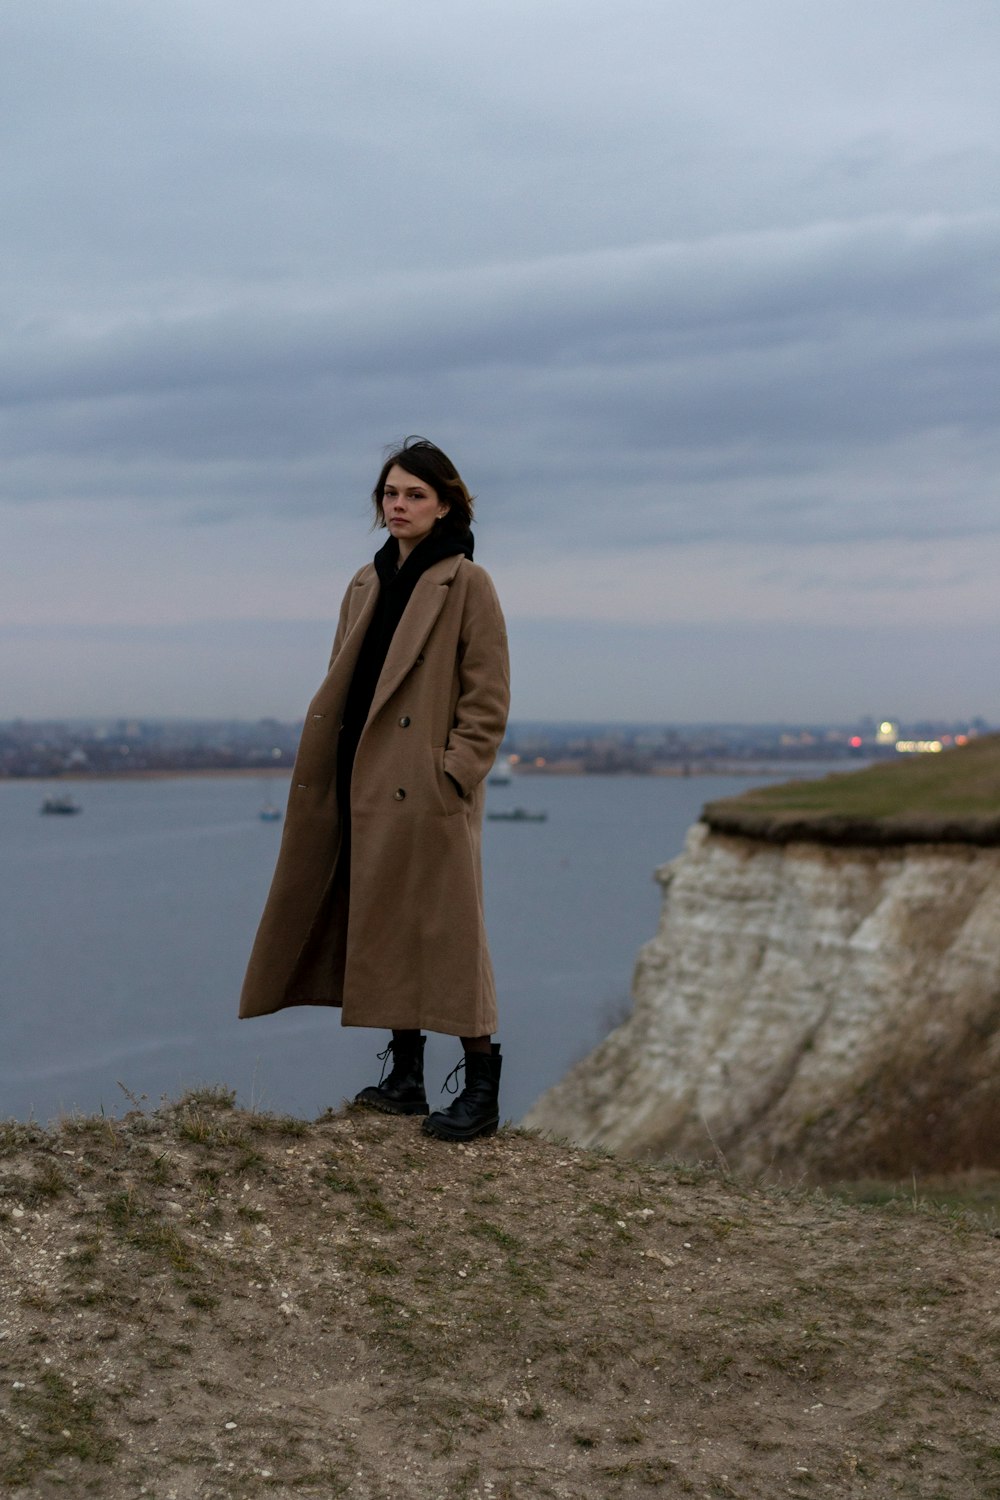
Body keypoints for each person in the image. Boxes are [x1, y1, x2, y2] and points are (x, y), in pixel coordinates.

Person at [239, 438, 510, 1140]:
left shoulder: (466, 583)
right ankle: (406, 1076)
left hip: (425, 788)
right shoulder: (365, 581)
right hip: (360, 781)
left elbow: (487, 695)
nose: (399, 505)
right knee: (383, 922)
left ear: (445, 503)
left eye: (415, 494)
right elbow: (344, 679)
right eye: (390, 494)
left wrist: (453, 770)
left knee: (449, 934)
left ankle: (481, 1088)